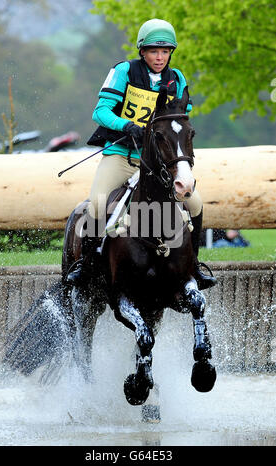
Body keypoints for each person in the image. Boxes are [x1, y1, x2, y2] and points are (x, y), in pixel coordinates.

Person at [67, 18, 217, 290]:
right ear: (142, 51)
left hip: (159, 163)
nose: (160, 57)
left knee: (195, 204)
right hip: (122, 156)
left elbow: (182, 116)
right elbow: (100, 112)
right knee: (98, 205)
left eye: (165, 51)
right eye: (153, 51)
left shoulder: (177, 78)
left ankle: (193, 265)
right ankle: (87, 265)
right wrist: (127, 125)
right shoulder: (124, 71)